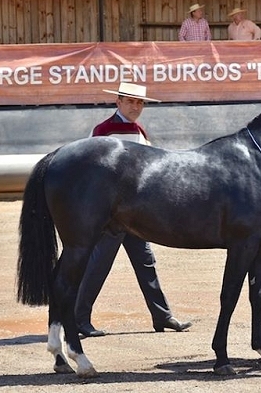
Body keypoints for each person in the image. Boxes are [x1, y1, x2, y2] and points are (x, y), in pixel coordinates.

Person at [75, 82, 192, 338]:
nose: (136, 106)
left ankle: (161, 315)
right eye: (130, 101)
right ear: (118, 102)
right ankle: (79, 318)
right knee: (99, 264)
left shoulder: (140, 131)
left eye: (139, 102)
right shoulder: (103, 131)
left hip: (137, 213)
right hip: (113, 214)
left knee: (145, 261)